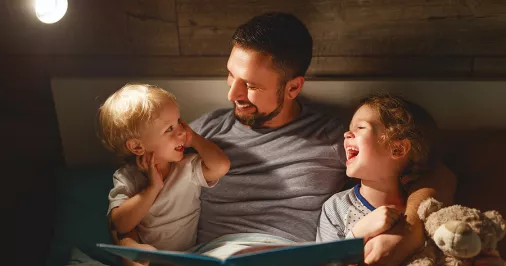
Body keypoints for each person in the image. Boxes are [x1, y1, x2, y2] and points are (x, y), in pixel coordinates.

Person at [188, 12, 457, 265]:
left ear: (293, 87)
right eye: (231, 75)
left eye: (250, 85)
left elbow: (439, 175)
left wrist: (409, 233)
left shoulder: (333, 137)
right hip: (212, 256)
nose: (232, 94)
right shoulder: (207, 130)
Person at [98, 83, 230, 266]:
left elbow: (221, 166)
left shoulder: (187, 167)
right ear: (137, 146)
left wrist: (194, 138)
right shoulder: (127, 177)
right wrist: (153, 188)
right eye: (169, 129)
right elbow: (119, 224)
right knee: (130, 252)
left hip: (186, 257)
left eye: (179, 122)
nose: (181, 131)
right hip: (148, 260)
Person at [316, 94, 439, 245]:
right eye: (349, 129)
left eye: (360, 127)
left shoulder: (420, 208)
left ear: (398, 149)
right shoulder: (336, 208)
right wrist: (357, 235)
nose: (346, 134)